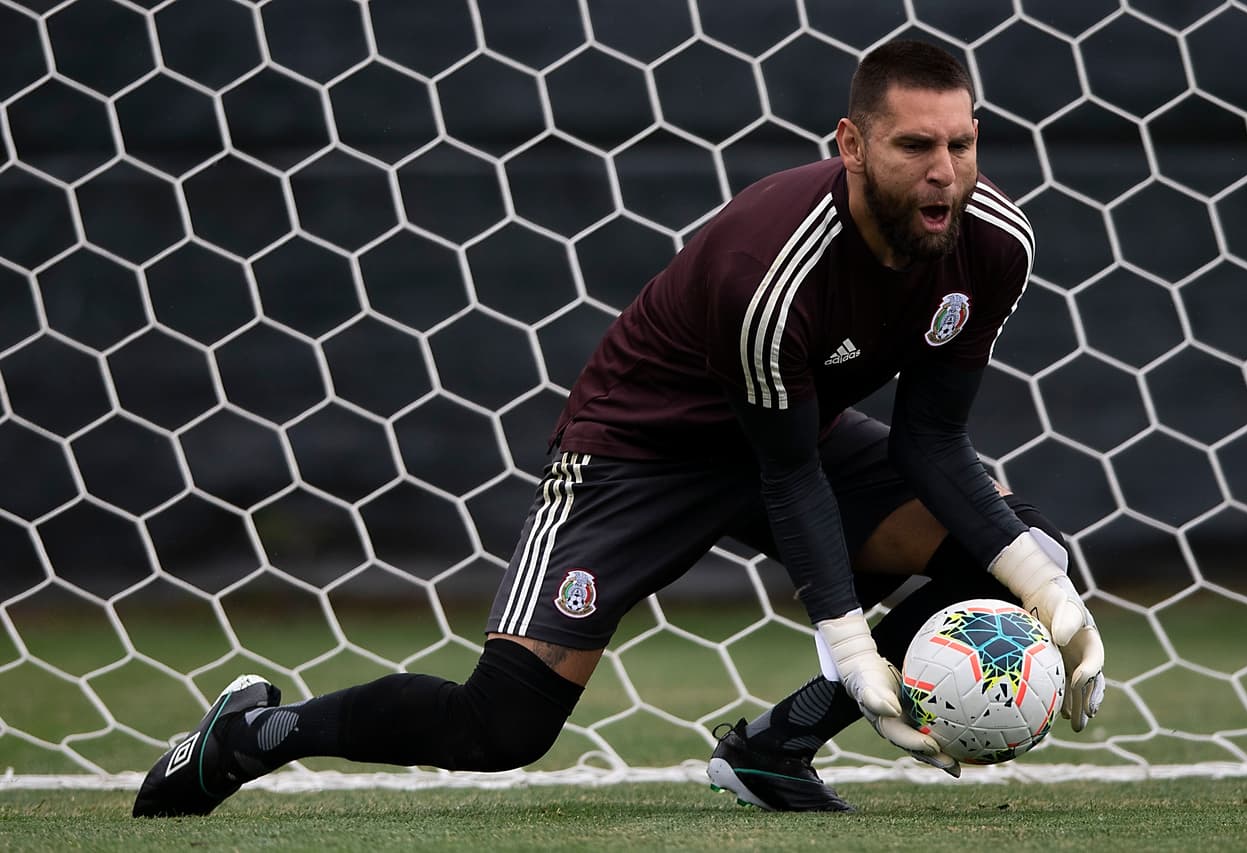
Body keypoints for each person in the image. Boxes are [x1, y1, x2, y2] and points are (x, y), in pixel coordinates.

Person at [132, 39, 1105, 818]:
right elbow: (784, 478)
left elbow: (928, 444)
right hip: (637, 453)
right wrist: (848, 645)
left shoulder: (991, 245)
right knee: (501, 724)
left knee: (1019, 548)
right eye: (912, 147)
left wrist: (1047, 594)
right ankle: (261, 735)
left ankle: (774, 751)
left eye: (960, 145)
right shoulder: (764, 270)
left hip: (796, 432)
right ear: (849, 146)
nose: (943, 173)